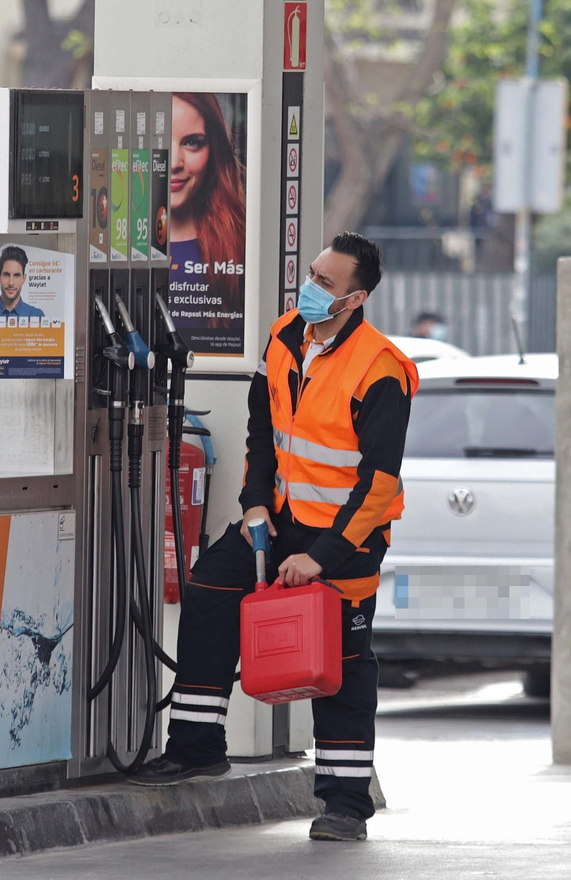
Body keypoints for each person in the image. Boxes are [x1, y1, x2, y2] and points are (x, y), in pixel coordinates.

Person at [129, 232, 418, 844]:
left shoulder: (379, 369)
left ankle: (344, 803)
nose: (311, 289)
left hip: (345, 537)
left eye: (326, 284)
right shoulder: (286, 335)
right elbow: (265, 429)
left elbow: (378, 484)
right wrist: (254, 503)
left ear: (356, 297)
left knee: (339, 659)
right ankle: (197, 745)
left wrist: (321, 558)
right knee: (208, 591)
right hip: (278, 519)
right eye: (311, 275)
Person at [169, 93, 246, 331]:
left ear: (214, 150)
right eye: (157, 140)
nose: (174, 162)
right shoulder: (107, 242)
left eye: (192, 142)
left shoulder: (241, 240)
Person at [0, 246, 45, 319]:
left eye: (16, 275)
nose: (11, 283)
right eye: (6, 275)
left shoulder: (36, 315)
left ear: (24, 278)